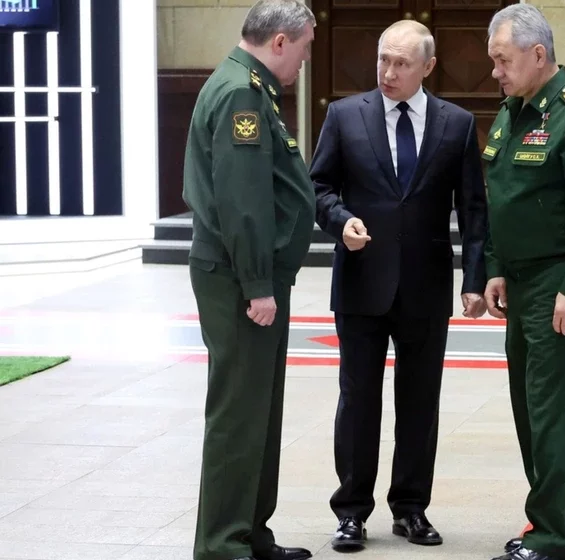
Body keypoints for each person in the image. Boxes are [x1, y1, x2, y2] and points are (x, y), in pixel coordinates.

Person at [309, 18, 488, 553]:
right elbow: (318, 186)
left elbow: (474, 210)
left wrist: (474, 279)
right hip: (362, 284)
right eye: (383, 59)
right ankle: (351, 513)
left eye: (402, 63)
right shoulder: (344, 116)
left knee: (419, 402)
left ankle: (410, 508)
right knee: (358, 400)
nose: (388, 72)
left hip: (425, 288)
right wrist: (340, 220)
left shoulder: (456, 124)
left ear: (428, 67)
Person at [480, 4, 565, 560]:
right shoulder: (513, 111)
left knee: (549, 407)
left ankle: (549, 536)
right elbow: (503, 198)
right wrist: (494, 265)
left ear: (539, 55)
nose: (495, 72)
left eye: (503, 60)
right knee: (532, 405)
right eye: (493, 61)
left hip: (558, 280)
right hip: (520, 278)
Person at [181, 1, 317, 559]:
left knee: (258, 408)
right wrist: (258, 283)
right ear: (281, 42)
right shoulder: (242, 93)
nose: (306, 62)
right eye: (306, 49)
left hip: (246, 273)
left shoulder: (250, 87)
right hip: (239, 277)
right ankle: (222, 544)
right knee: (239, 413)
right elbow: (242, 201)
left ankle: (250, 532)